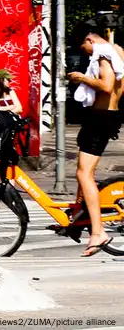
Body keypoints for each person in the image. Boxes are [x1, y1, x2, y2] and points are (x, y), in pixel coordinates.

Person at [66, 31, 123, 256]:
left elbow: (106, 86)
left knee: (83, 174)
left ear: (90, 39)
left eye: (83, 47)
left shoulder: (104, 53)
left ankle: (98, 232)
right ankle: (81, 216)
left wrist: (81, 78)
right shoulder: (119, 52)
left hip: (101, 118)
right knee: (83, 170)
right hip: (106, 116)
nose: (85, 52)